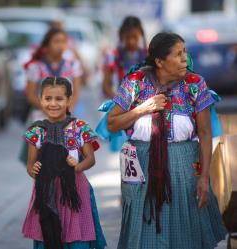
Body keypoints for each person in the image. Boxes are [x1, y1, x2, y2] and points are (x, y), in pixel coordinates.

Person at [105, 32, 227, 248]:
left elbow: (205, 134)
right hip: (142, 165)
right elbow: (112, 123)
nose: (184, 59)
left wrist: (204, 178)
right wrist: (142, 109)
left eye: (184, 52)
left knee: (186, 234)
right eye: (178, 54)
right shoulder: (135, 82)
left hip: (184, 167)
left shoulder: (194, 84)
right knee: (144, 233)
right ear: (159, 61)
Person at [22, 76, 106, 249]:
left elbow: (90, 159)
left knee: (77, 237)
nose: (53, 104)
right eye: (48, 98)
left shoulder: (80, 127)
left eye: (59, 99)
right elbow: (30, 165)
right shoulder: (36, 130)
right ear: (40, 100)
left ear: (69, 100)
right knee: (49, 235)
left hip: (75, 193)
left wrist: (77, 166)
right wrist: (34, 168)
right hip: (46, 193)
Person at [24, 27, 82, 120]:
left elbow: (76, 93)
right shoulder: (36, 66)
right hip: (41, 116)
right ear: (47, 45)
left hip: (65, 116)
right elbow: (30, 95)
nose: (60, 45)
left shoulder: (73, 65)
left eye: (63, 42)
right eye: (56, 41)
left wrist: (67, 111)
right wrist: (49, 110)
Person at [102, 16, 147, 99]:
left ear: (140, 35)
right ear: (121, 35)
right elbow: (106, 85)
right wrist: (118, 103)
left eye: (135, 37)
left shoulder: (148, 56)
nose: (131, 41)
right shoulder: (112, 56)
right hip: (118, 105)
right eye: (127, 37)